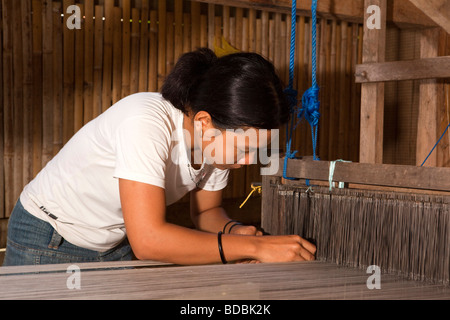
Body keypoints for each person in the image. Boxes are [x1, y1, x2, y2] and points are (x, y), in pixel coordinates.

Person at [3, 48, 316, 266]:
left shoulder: (216, 146)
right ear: (205, 122)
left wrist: (235, 232)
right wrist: (256, 247)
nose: (248, 160)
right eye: (243, 149)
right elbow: (149, 240)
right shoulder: (144, 121)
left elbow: (208, 213)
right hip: (47, 238)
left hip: (113, 244)